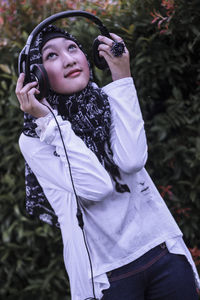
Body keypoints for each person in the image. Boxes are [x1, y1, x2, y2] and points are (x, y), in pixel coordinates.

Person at [16, 23, 200, 300]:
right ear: (36, 76)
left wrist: (122, 75)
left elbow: (132, 160)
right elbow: (96, 187)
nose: (68, 60)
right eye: (50, 56)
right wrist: (48, 121)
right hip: (107, 277)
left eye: (72, 48)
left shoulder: (108, 101)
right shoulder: (35, 137)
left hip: (162, 253)